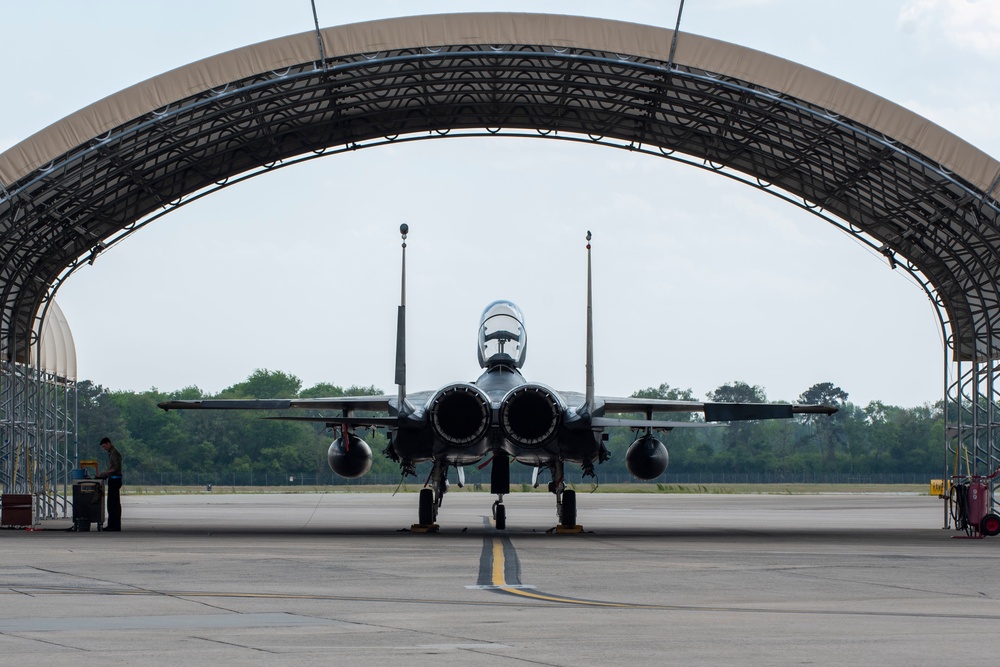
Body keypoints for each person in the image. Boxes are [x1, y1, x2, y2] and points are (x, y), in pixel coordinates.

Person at [97, 437, 123, 531]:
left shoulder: (115, 453)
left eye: (104, 446)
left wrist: (106, 472)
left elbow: (116, 467)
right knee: (110, 504)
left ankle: (115, 526)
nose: (104, 448)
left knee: (114, 504)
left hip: (115, 479)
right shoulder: (111, 453)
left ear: (108, 444)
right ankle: (111, 524)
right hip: (112, 479)